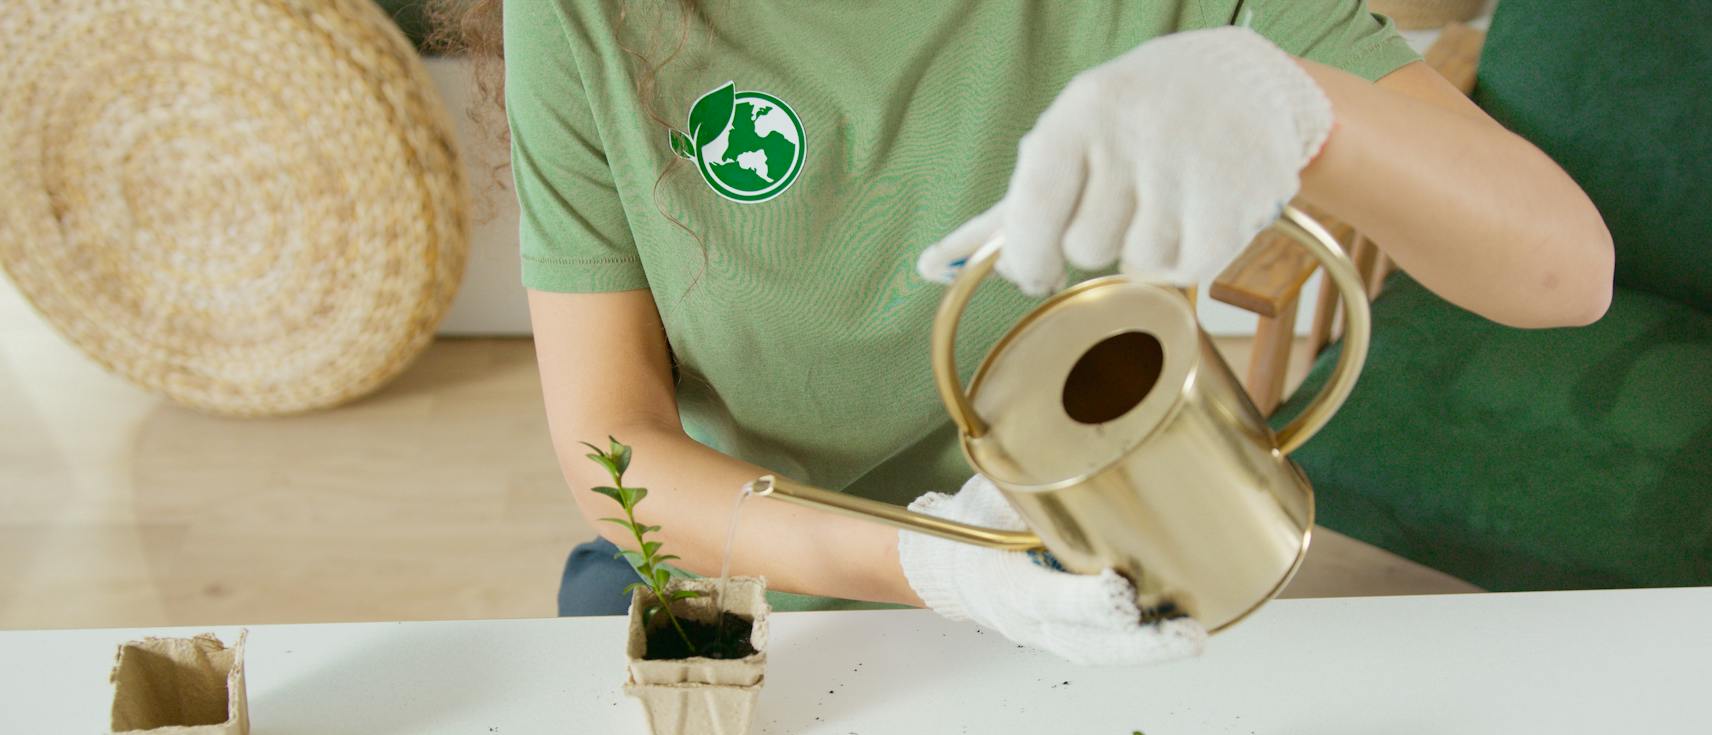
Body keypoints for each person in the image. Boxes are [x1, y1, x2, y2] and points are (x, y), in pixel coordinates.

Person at [450, 1, 1612, 664]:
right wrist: (922, 560)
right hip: (759, 581)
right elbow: (612, 444)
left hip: (1088, 581)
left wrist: (1293, 103)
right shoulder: (588, 19)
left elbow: (1563, 268)